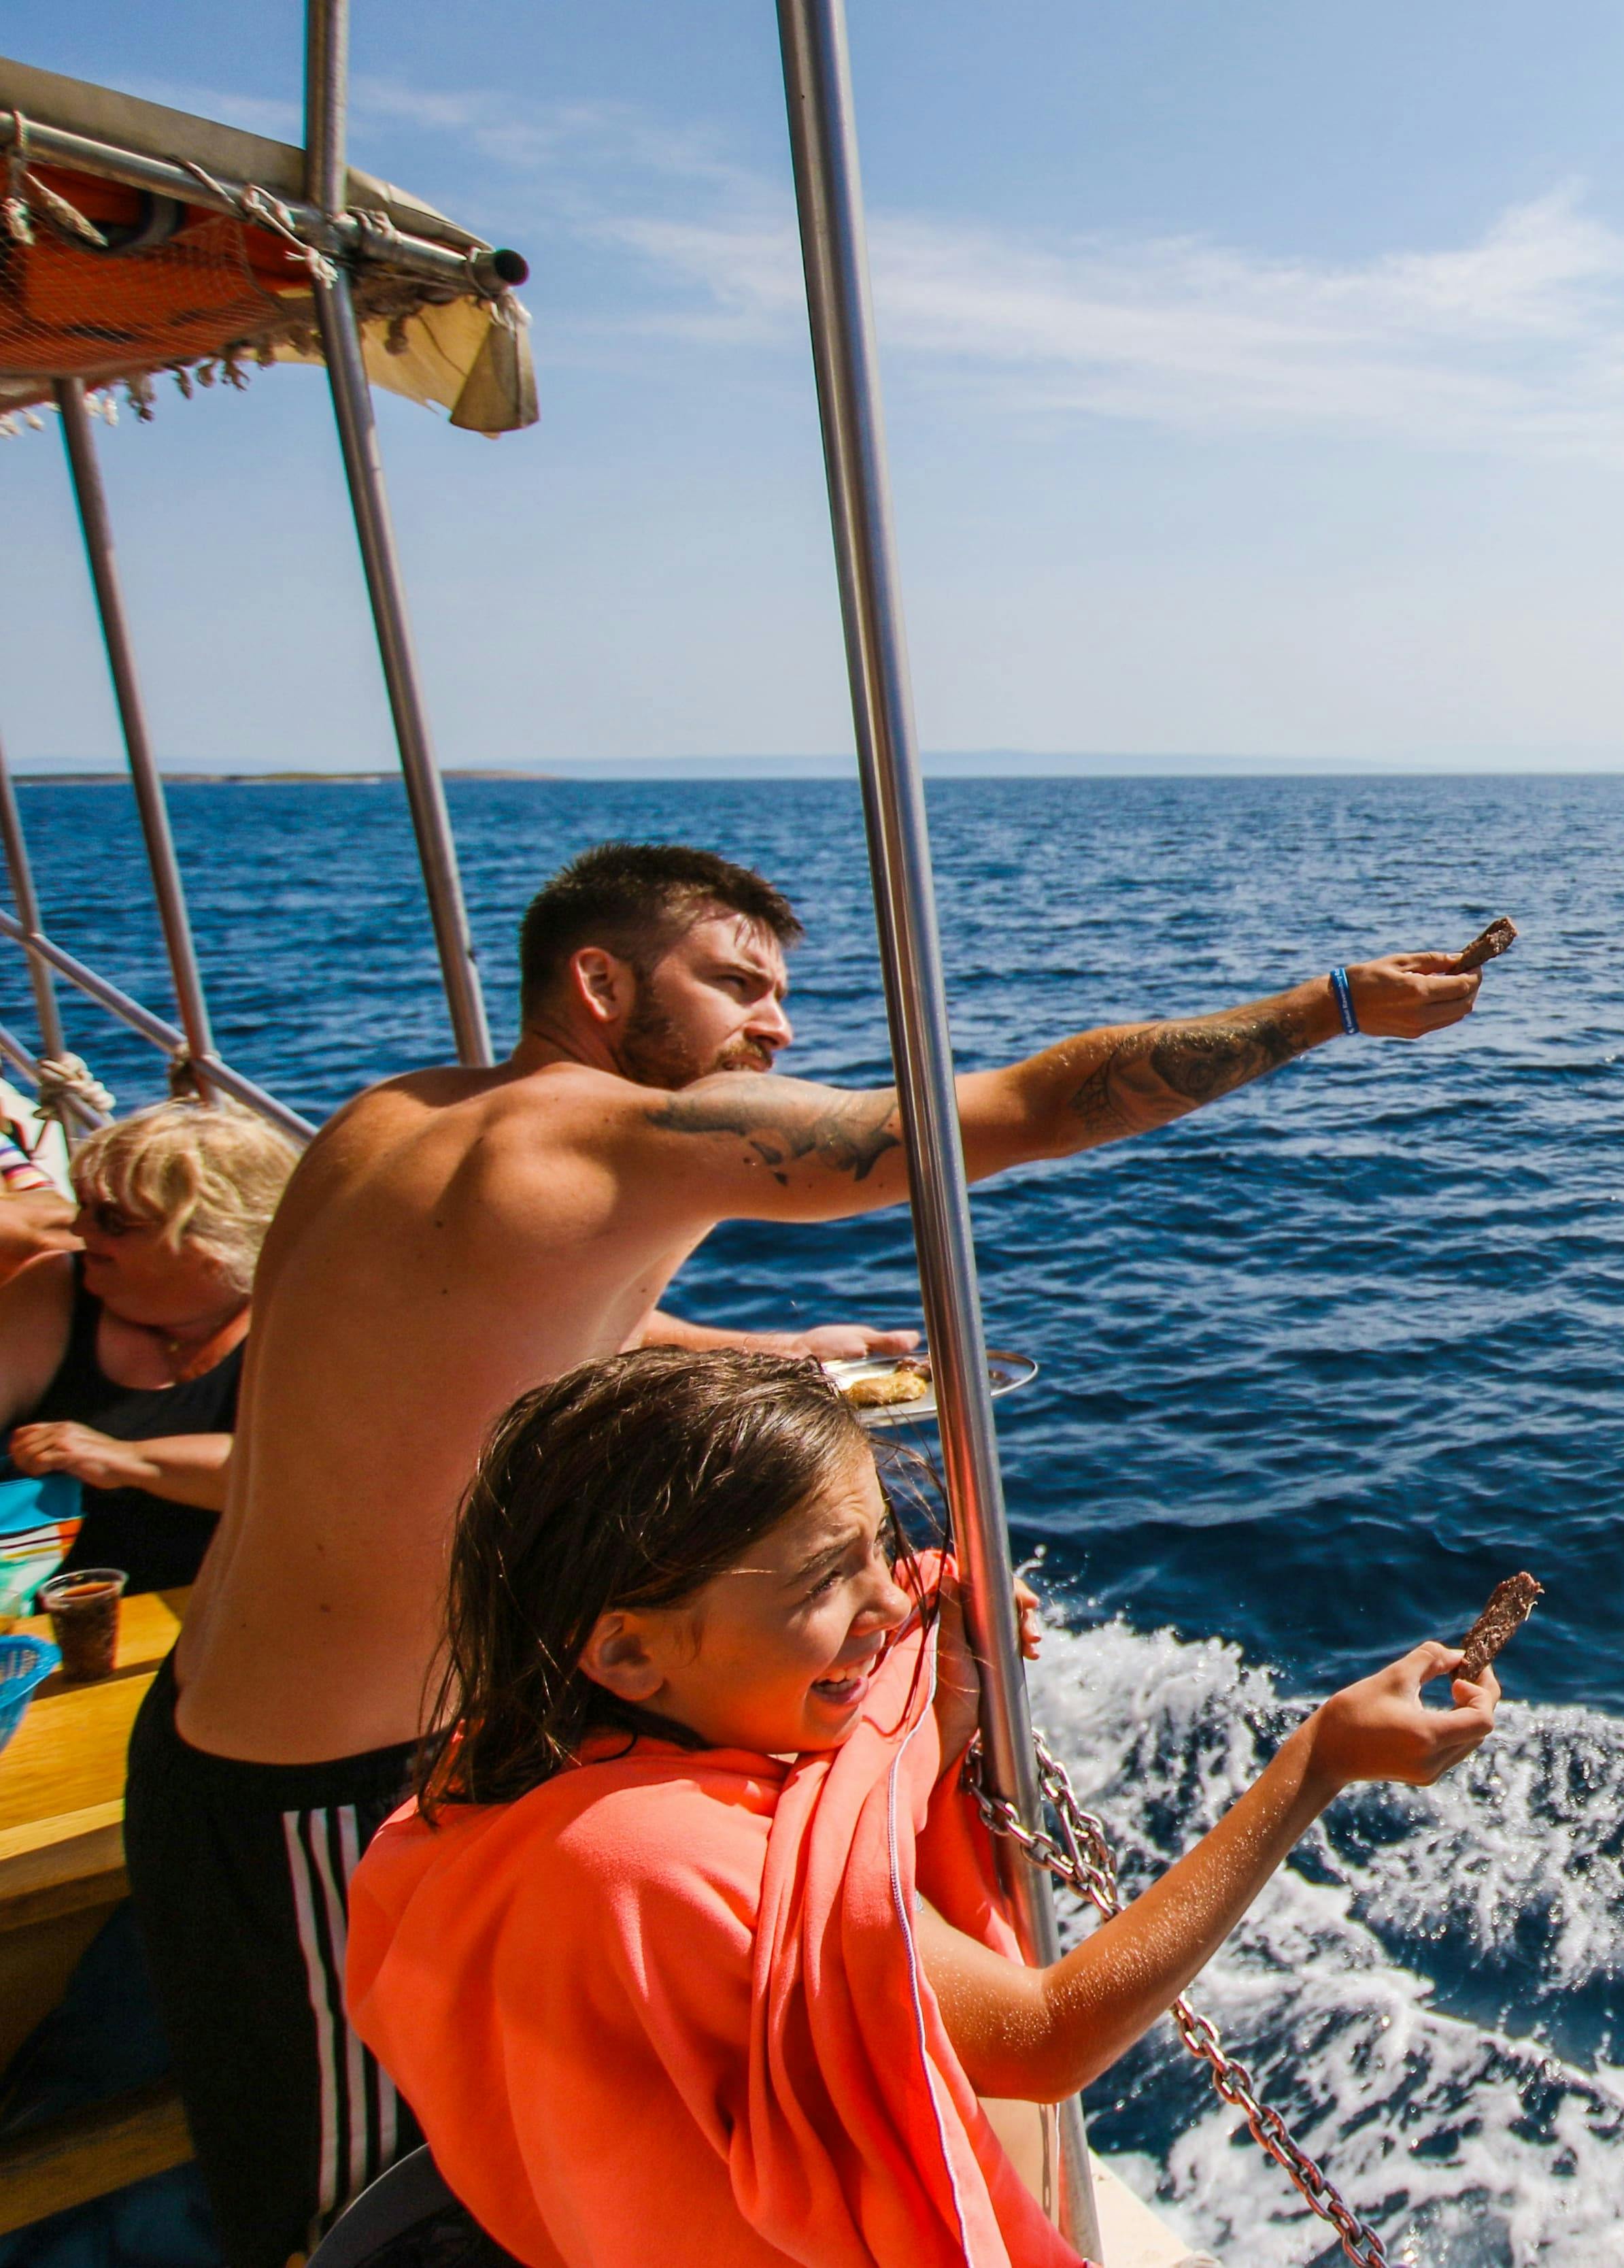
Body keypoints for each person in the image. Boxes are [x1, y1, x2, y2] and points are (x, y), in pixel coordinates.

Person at [127, 841, 1483, 2268]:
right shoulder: (606, 1139)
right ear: (598, 980)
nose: (775, 1026)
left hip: (213, 1721)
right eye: (734, 984)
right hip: (321, 1791)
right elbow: (1015, 1110)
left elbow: (504, 1322)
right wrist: (1330, 1004)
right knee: (363, 2216)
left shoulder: (391, 1120)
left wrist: (775, 1349)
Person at [345, 1347, 1495, 2268]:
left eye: (886, 1551)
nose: (892, 1595)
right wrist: (1316, 1762)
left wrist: (931, 1710)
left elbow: (823, 1841)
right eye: (821, 1581)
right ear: (627, 1648)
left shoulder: (493, 1780)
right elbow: (1044, 2033)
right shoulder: (654, 1860)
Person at [0, 1101, 299, 1592]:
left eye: (111, 1220)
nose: (79, 1230)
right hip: (46, 1611)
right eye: (84, 1207)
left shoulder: (297, 1314)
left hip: (236, 1610)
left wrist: (127, 1459)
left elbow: (298, 1472)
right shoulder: (55, 1286)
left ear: (210, 1240)